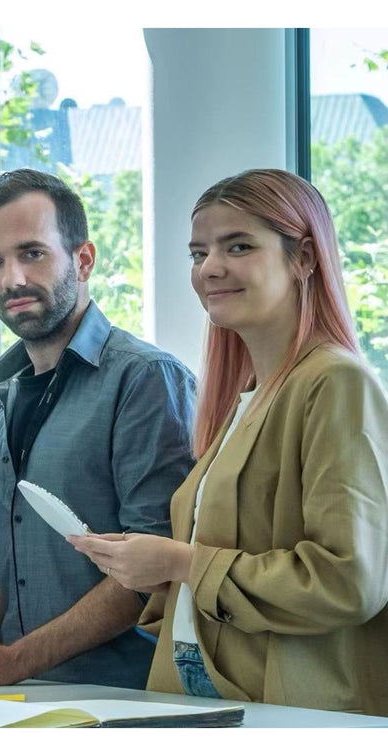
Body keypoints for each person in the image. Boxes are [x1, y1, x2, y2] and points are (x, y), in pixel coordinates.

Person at [70, 169, 388, 715]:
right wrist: (150, 567)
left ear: (304, 257)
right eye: (199, 253)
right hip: (204, 688)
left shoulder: (335, 382)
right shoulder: (245, 397)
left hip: (287, 707)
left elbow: (348, 581)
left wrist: (181, 563)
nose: (210, 268)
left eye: (238, 246)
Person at [0, 169, 196, 689]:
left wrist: (15, 662)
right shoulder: (1, 401)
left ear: (83, 260)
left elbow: (152, 571)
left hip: (126, 701)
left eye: (32, 253)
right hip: (20, 700)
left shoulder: (145, 379)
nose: (11, 279)